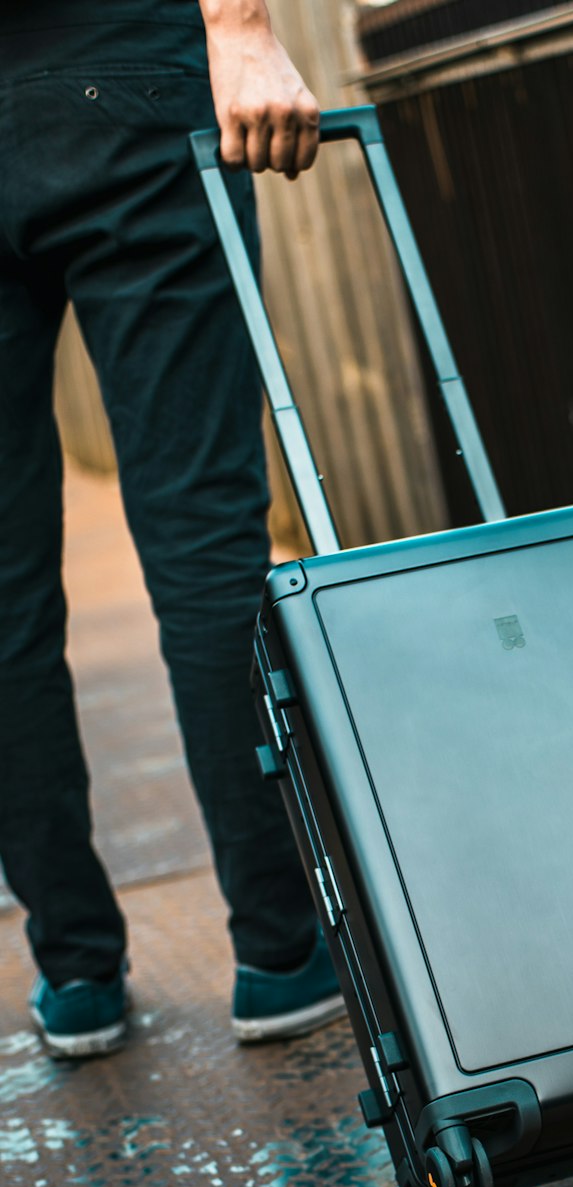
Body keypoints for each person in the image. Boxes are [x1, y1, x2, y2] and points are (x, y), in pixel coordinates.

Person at [0, 0, 344, 1057]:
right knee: (204, 542)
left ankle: (76, 972)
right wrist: (238, 25)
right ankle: (280, 952)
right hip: (122, 73)